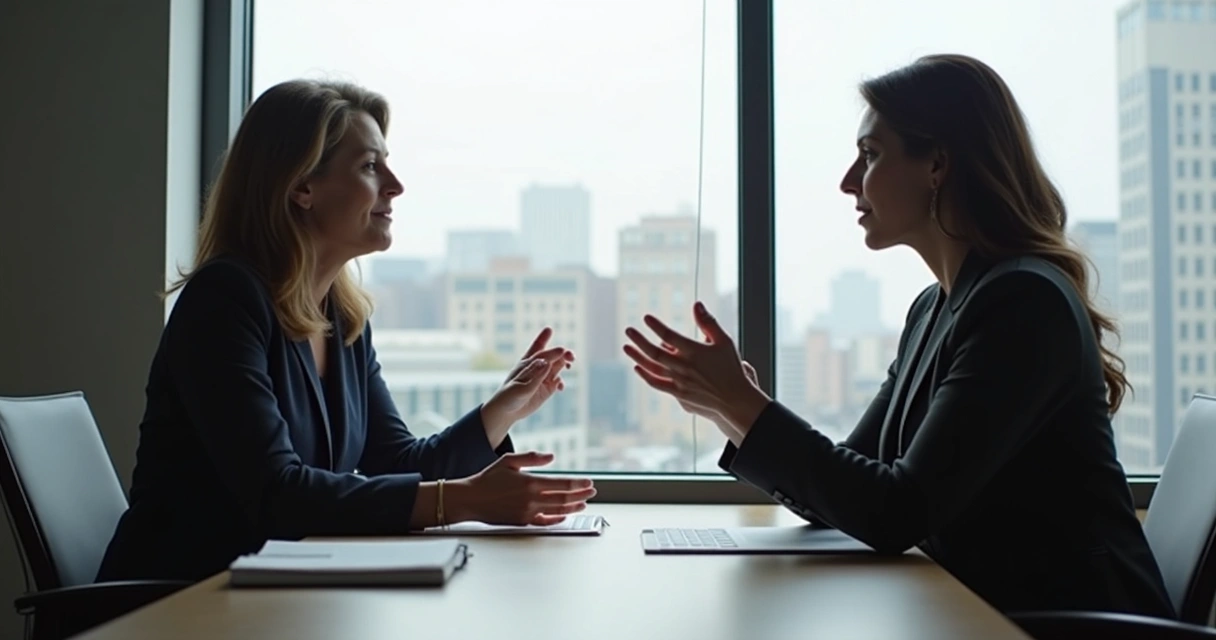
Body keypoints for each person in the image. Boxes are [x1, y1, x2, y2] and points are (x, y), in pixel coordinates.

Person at [622, 54, 1175, 617]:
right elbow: (851, 491)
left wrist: (746, 405)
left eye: (870, 154)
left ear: (937, 163)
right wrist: (730, 410)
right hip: (982, 613)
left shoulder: (1022, 304)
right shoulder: (933, 310)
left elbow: (896, 512)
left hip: (1060, 625)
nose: (846, 182)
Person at [97, 80, 595, 582]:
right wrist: (463, 500)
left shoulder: (341, 316)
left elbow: (395, 462)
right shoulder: (223, 299)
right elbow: (277, 493)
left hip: (278, 598)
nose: (396, 185)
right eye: (370, 166)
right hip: (179, 604)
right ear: (301, 187)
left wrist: (502, 408)